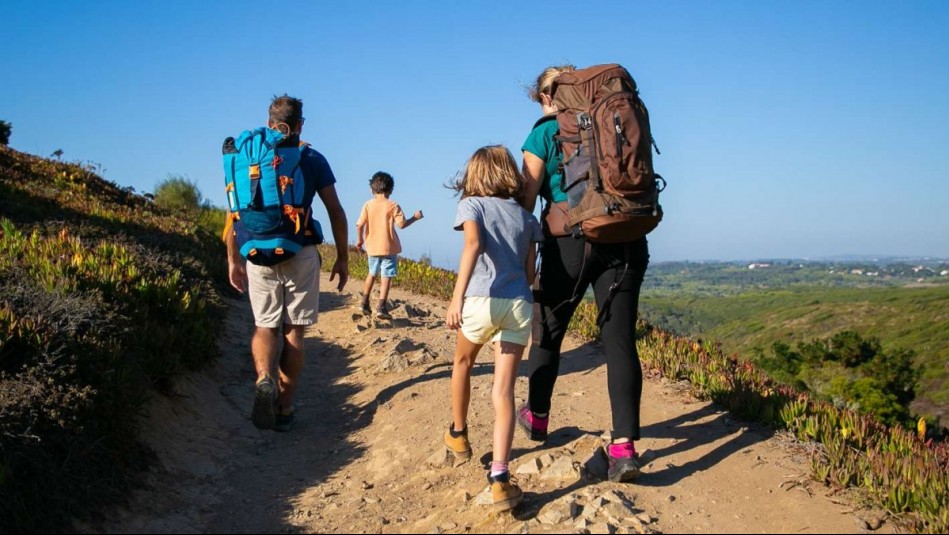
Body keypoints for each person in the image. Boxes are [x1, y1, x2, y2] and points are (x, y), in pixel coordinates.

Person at [517, 65, 651, 482]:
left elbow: (524, 200)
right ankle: (623, 448)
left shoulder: (543, 133)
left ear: (547, 96)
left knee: (549, 330)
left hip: (568, 241)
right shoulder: (615, 118)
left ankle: (538, 418)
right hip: (626, 234)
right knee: (619, 341)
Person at [225, 94, 349, 432]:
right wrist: (342, 257)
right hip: (299, 250)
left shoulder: (245, 156)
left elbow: (233, 211)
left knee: (265, 326)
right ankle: (284, 406)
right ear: (300, 125)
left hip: (255, 250)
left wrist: (232, 259)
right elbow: (336, 211)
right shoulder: (310, 157)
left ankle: (264, 377)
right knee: (294, 332)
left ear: (269, 121)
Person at [443, 145, 543, 512]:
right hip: (519, 304)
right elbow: (531, 272)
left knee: (462, 364)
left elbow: (473, 245)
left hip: (481, 300)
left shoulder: (472, 205)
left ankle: (458, 434)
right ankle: (500, 477)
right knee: (504, 392)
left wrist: (457, 299)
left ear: (476, 174)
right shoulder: (526, 216)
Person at [354, 171, 423, 319]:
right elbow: (402, 224)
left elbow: (359, 225)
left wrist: (360, 241)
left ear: (372, 189)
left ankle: (364, 303)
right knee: (386, 277)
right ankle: (381, 307)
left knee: (371, 273)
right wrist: (415, 218)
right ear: (391, 190)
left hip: (372, 247)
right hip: (389, 247)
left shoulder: (367, 205)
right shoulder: (393, 205)